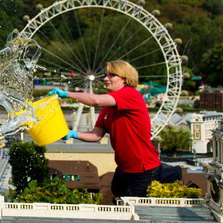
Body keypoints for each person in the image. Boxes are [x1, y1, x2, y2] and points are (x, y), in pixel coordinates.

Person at [48, 60, 161, 199]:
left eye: (111, 75)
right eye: (106, 75)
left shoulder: (130, 94)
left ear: (125, 79)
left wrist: (66, 94)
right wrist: (72, 133)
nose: (105, 79)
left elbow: (95, 100)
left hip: (143, 168)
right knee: (118, 197)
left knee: (135, 208)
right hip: (124, 167)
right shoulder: (107, 109)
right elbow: (96, 135)